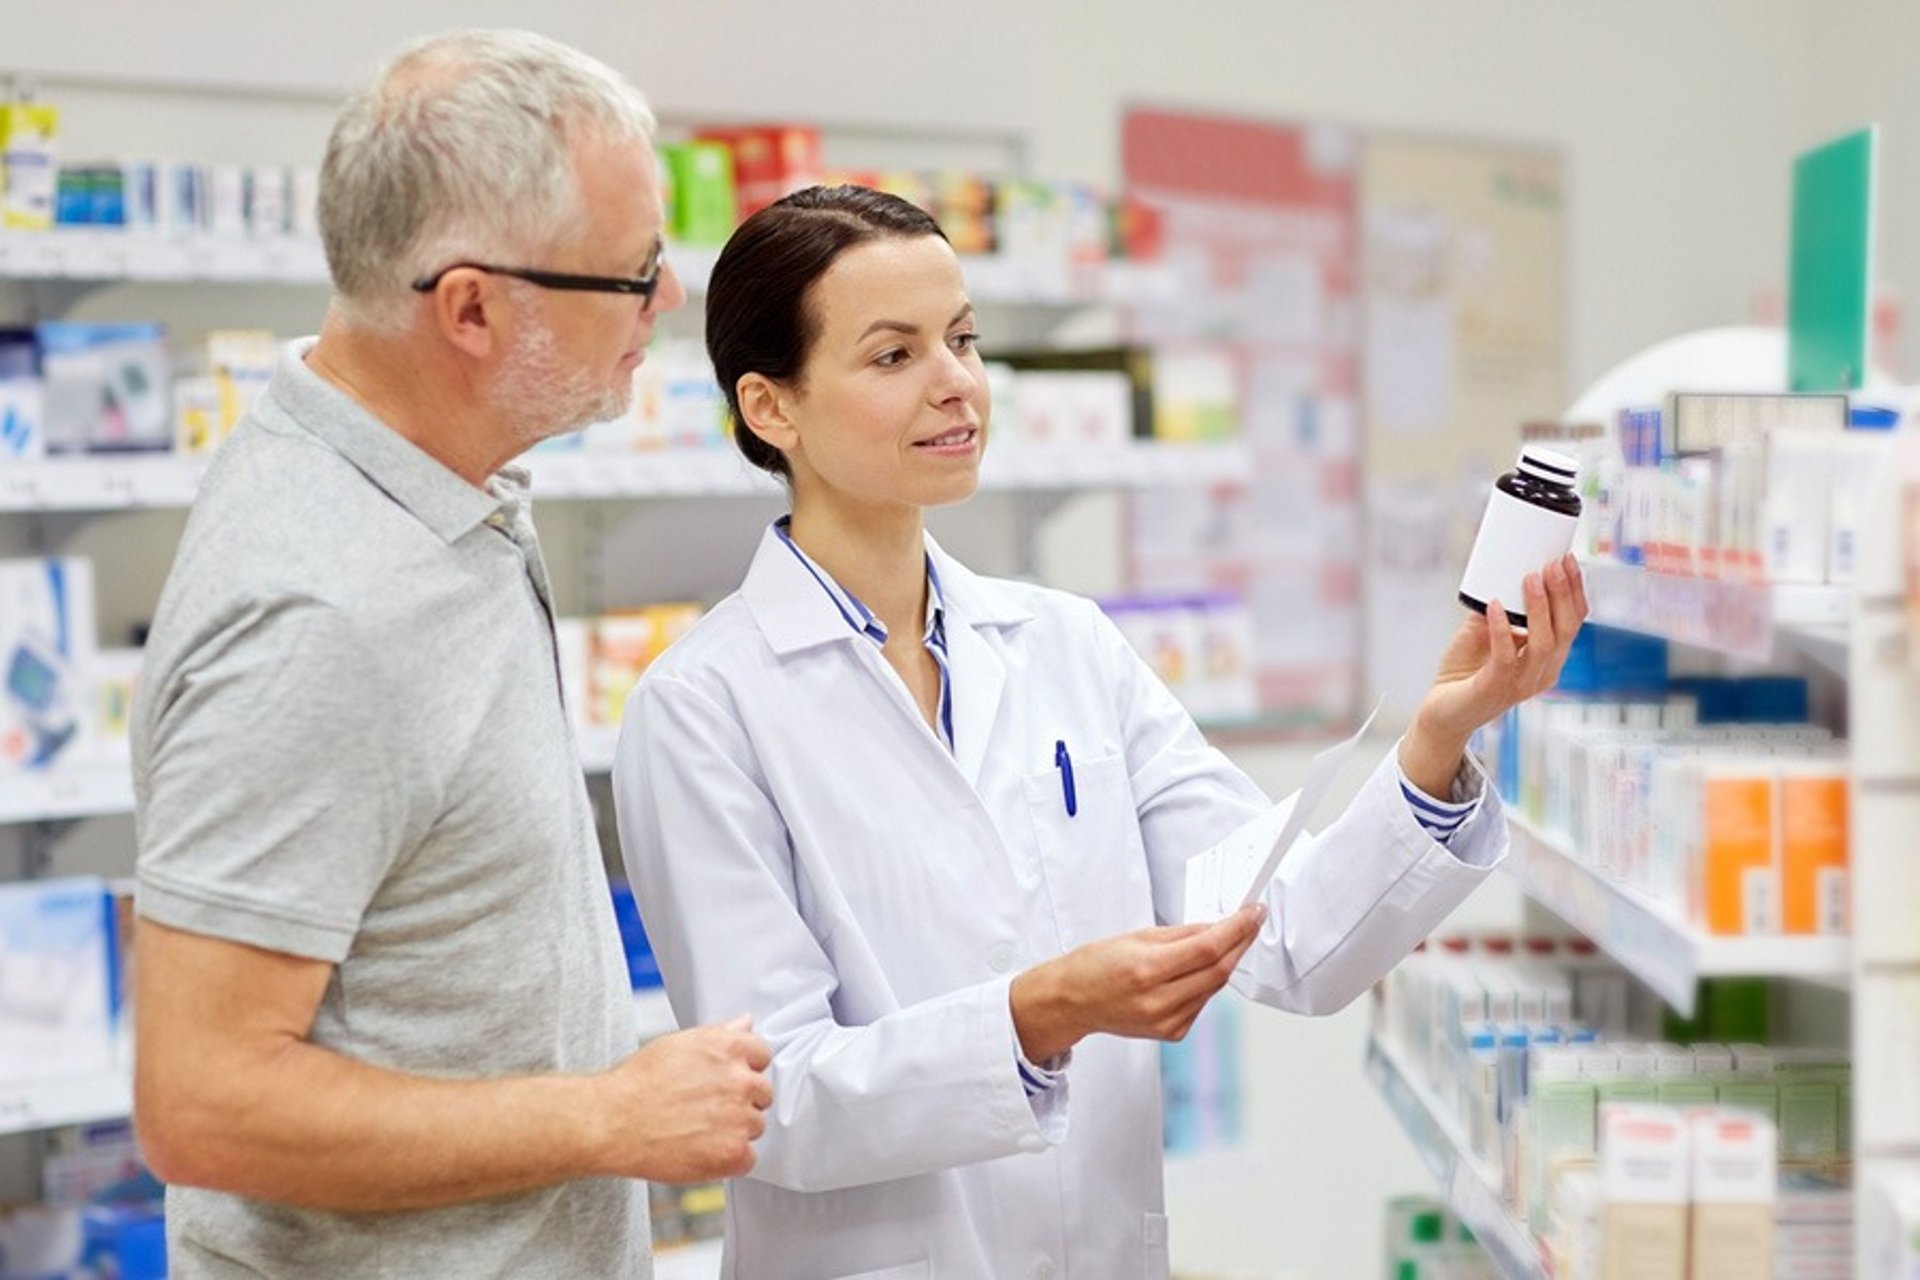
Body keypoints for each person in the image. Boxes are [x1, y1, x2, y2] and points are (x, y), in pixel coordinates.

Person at [612, 184, 1589, 1279]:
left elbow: (1285, 937)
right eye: (894, 356)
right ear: (770, 407)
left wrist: (1436, 745)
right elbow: (771, 1097)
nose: (957, 383)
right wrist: (1036, 1013)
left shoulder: (1064, 643)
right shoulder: (704, 708)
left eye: (964, 339)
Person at [131, 30, 771, 1278]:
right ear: (472, 307)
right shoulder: (323, 608)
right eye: (633, 273)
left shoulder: (432, 490)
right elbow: (202, 1101)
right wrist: (609, 1113)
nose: (667, 303)